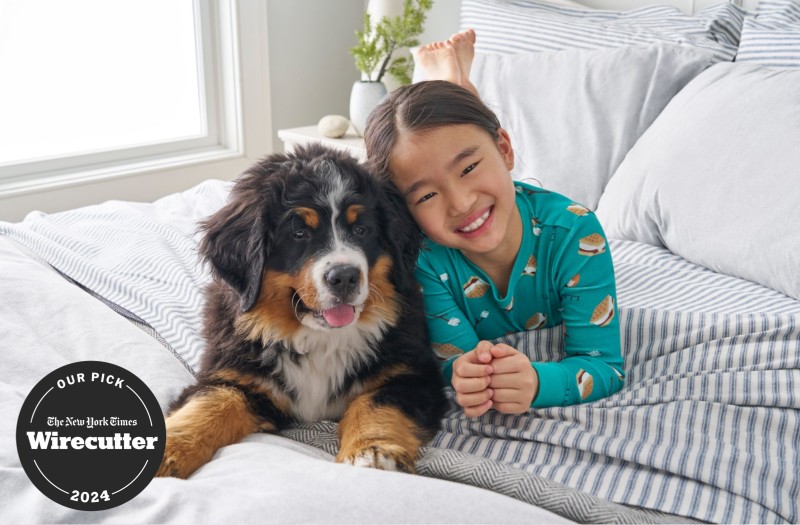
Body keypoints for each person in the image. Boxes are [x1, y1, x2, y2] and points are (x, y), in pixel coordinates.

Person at [363, 30, 624, 417]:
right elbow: (456, 360)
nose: (462, 203)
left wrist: (538, 382)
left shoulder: (576, 235)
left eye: (469, 168)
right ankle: (446, 83)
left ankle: (449, 80)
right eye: (426, 196)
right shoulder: (425, 261)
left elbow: (604, 366)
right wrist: (466, 376)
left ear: (505, 149)